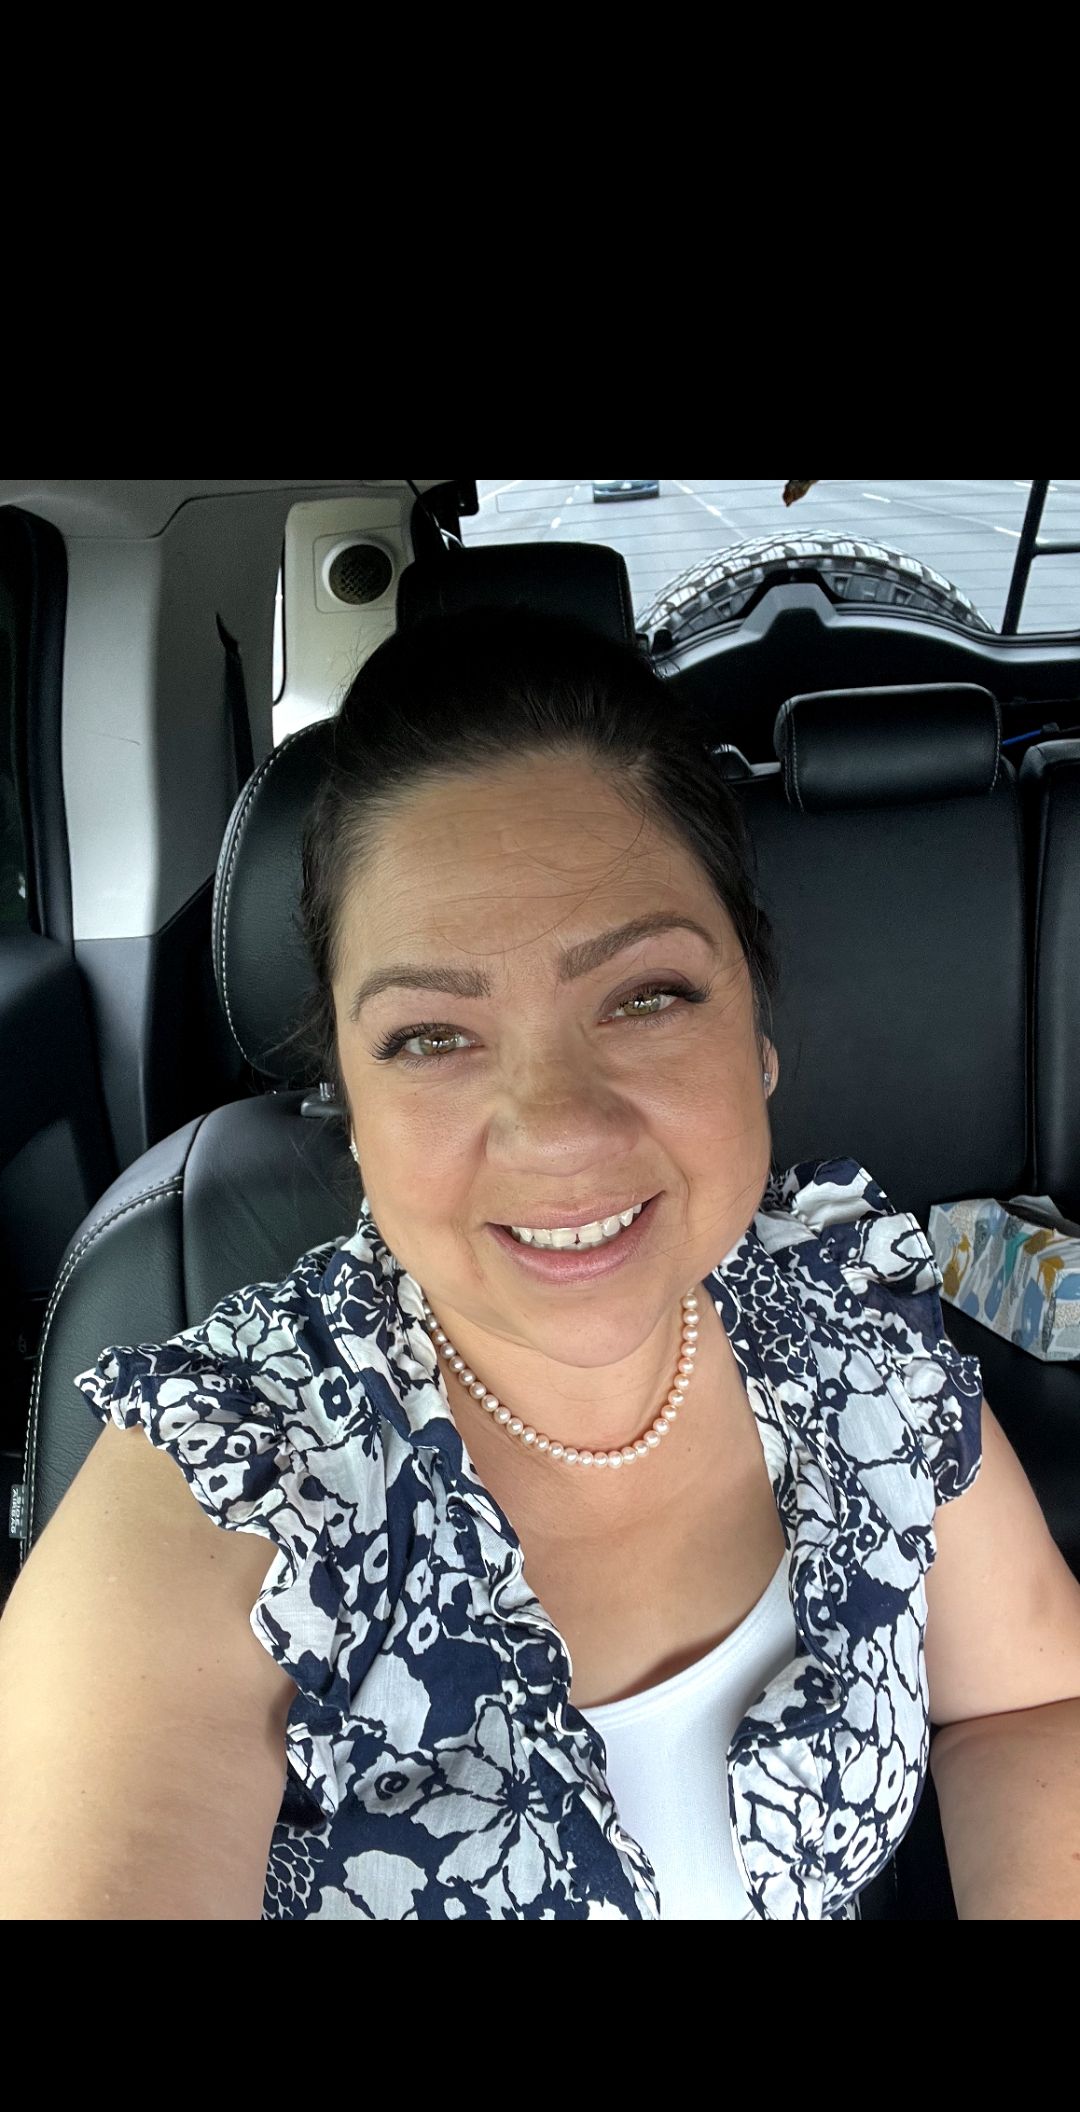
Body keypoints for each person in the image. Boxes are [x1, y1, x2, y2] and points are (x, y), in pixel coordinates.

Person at [3, 607, 1078, 1920]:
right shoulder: (220, 1494)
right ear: (345, 1090)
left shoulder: (850, 1316)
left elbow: (1032, 1701)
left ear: (758, 1027)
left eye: (645, 997)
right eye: (429, 1038)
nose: (558, 1128)